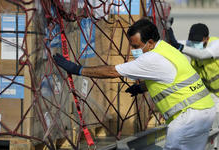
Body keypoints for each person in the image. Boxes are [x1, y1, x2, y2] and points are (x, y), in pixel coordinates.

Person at [53, 18, 216, 150]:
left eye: (136, 46)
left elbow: (112, 71)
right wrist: (142, 87)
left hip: (188, 117)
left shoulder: (151, 58)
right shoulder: (167, 49)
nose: (133, 50)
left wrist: (78, 69)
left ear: (150, 43)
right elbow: (171, 78)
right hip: (204, 111)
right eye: (131, 46)